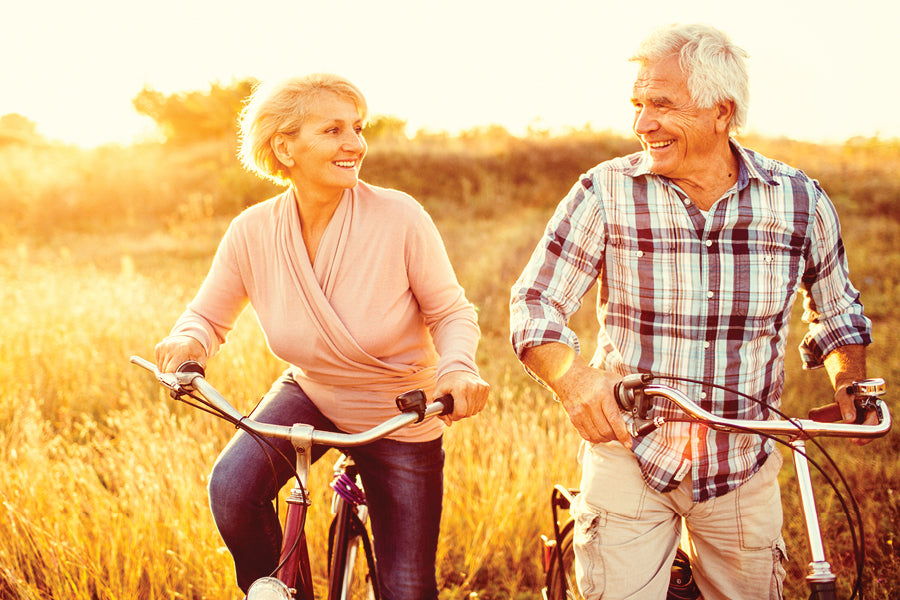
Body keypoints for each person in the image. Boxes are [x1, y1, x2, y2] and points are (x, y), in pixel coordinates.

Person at [509, 23, 873, 600]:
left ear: (721, 112)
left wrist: (851, 380)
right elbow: (536, 302)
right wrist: (573, 380)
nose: (642, 123)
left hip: (743, 462)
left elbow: (837, 310)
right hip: (631, 452)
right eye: (637, 105)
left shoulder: (799, 200)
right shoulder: (605, 191)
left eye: (662, 105)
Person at [155, 73, 490, 600]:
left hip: (402, 410)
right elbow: (206, 317)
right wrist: (188, 341)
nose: (355, 143)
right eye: (333, 130)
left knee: (407, 587)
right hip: (311, 393)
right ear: (284, 147)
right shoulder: (251, 231)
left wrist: (458, 369)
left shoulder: (401, 216)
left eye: (357, 128)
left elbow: (451, 312)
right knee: (233, 488)